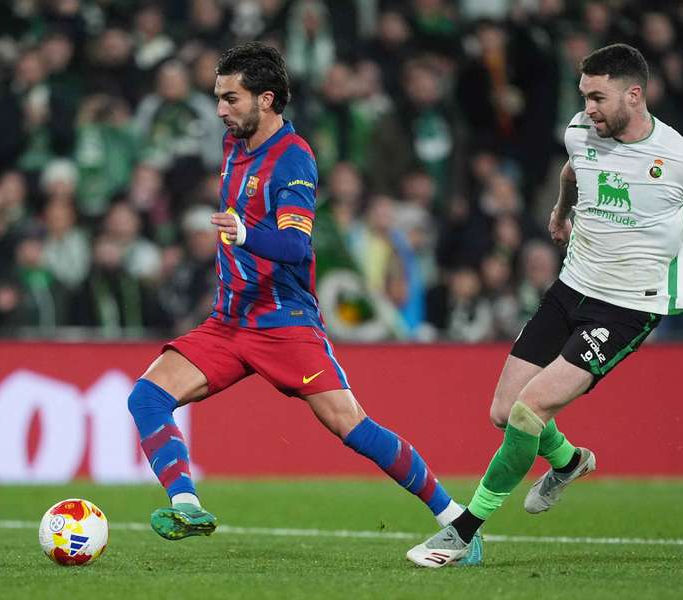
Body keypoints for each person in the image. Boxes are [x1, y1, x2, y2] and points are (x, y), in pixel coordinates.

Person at [125, 42, 481, 565]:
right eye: (218, 97)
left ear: (266, 100)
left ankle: (457, 522)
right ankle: (186, 504)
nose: (221, 109)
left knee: (351, 426)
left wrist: (245, 232)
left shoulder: (294, 159)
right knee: (146, 398)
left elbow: (296, 245)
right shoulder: (233, 145)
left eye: (231, 98)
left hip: (283, 323)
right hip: (229, 321)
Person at [407, 43, 683, 567]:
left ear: (634, 93)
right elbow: (572, 170)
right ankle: (568, 462)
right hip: (571, 287)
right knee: (501, 413)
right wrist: (561, 211)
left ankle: (462, 533)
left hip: (626, 307)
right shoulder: (582, 130)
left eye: (598, 97)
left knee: (528, 410)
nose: (588, 108)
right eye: (584, 95)